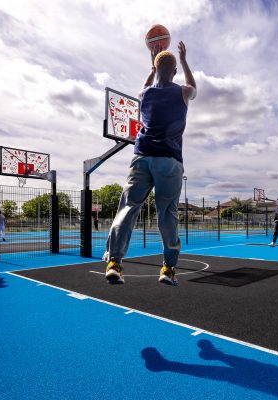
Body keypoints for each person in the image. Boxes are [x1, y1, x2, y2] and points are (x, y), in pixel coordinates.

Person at [103, 41, 197, 286]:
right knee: (167, 214)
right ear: (174, 71)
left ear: (155, 70)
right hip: (169, 160)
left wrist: (151, 67)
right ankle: (168, 269)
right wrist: (184, 60)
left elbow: (144, 85)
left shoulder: (145, 94)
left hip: (142, 157)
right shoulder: (183, 92)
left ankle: (114, 262)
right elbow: (193, 86)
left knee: (128, 207)